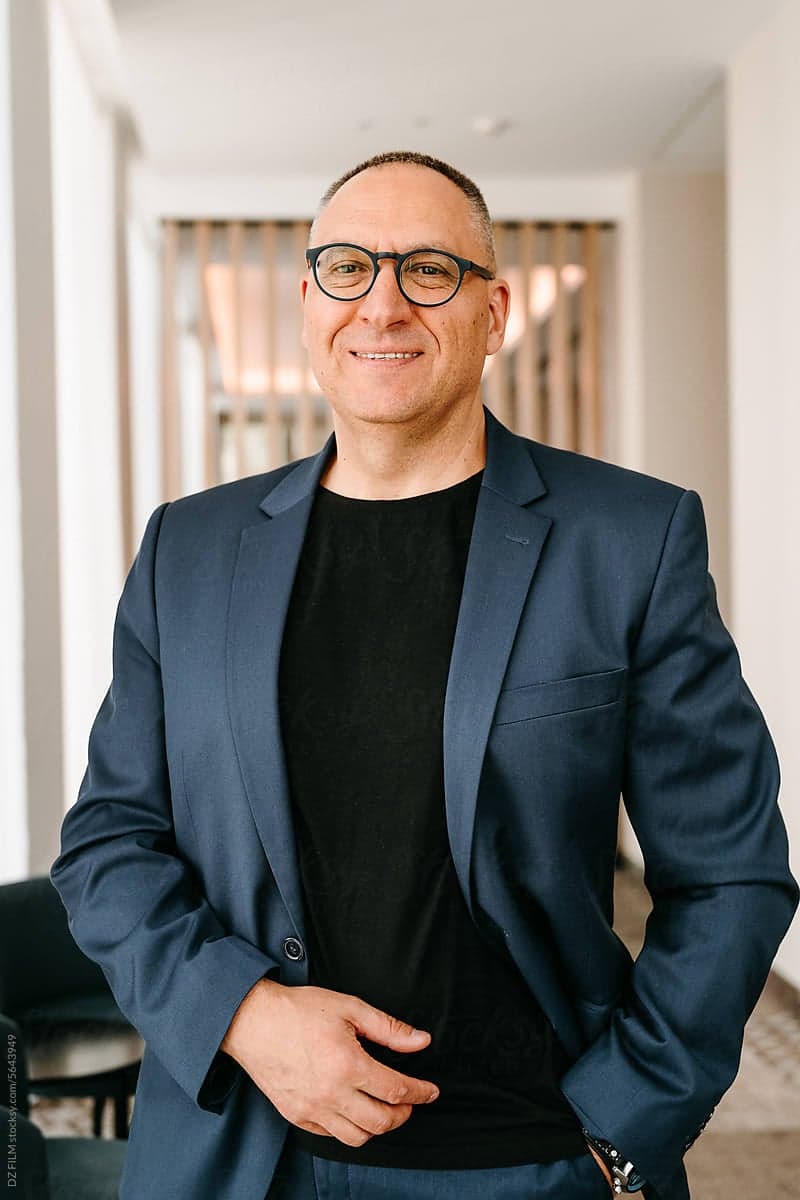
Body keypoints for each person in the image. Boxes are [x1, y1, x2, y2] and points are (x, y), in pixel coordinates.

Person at [51, 151, 798, 1200]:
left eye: (428, 271)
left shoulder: (626, 539)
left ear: (492, 312)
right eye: (348, 267)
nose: (383, 305)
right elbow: (108, 844)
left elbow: (727, 872)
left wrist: (619, 1124)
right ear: (308, 300)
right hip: (240, 1157)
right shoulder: (189, 549)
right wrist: (244, 1015)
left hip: (526, 1158)